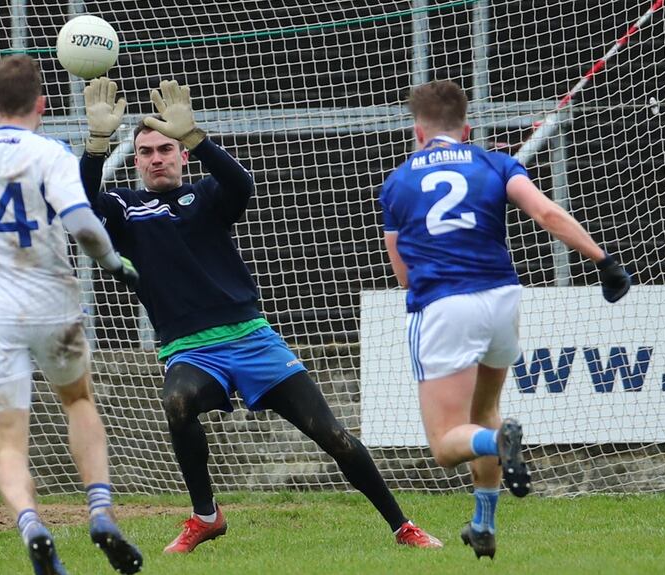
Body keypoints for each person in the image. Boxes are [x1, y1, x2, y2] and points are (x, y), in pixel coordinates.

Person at [79, 77, 442, 553]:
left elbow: (241, 184)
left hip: (252, 340)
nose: (156, 158)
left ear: (180, 155)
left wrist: (197, 137)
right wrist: (95, 145)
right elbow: (81, 204)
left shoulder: (206, 195)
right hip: (189, 350)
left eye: (166, 148)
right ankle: (205, 517)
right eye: (145, 152)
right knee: (177, 402)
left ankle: (402, 526)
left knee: (332, 436)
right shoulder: (125, 207)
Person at [0, 55, 143, 575]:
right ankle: (100, 511)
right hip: (51, 305)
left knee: (9, 444)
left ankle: (32, 525)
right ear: (42, 104)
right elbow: (82, 223)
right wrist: (112, 262)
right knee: (78, 400)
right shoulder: (50, 153)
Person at [379, 80, 632, 559]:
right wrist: (604, 262)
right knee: (485, 408)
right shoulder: (494, 162)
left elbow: (405, 275)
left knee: (447, 442)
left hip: (445, 305)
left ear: (417, 132)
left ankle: (497, 442)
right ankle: (483, 524)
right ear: (467, 127)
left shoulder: (397, 184)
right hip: (502, 298)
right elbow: (547, 213)